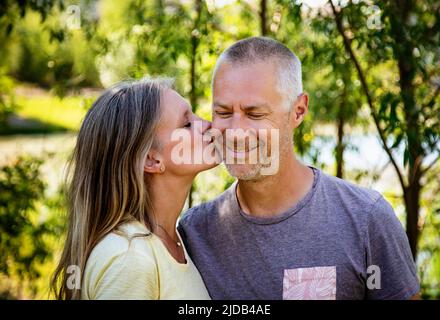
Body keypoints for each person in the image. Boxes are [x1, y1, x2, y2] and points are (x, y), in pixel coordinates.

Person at [178, 37, 420, 300]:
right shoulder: (195, 233)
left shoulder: (366, 219)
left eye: (255, 114)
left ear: (298, 110)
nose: (235, 133)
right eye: (223, 113)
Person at [52, 77, 215, 300]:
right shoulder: (130, 259)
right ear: (151, 160)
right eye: (187, 124)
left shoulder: (172, 239)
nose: (207, 124)